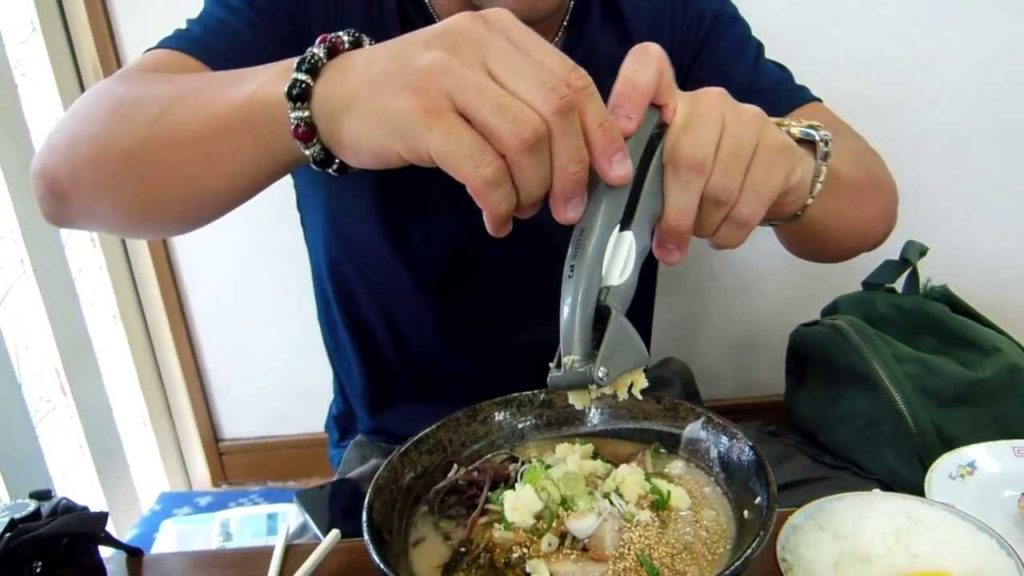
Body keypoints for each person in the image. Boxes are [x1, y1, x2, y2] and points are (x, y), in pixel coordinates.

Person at [31, 0, 897, 474]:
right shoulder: (314, 8)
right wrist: (323, 97)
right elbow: (68, 176)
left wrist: (786, 165)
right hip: (392, 459)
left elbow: (867, 207)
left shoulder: (669, 13)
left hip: (611, 438)